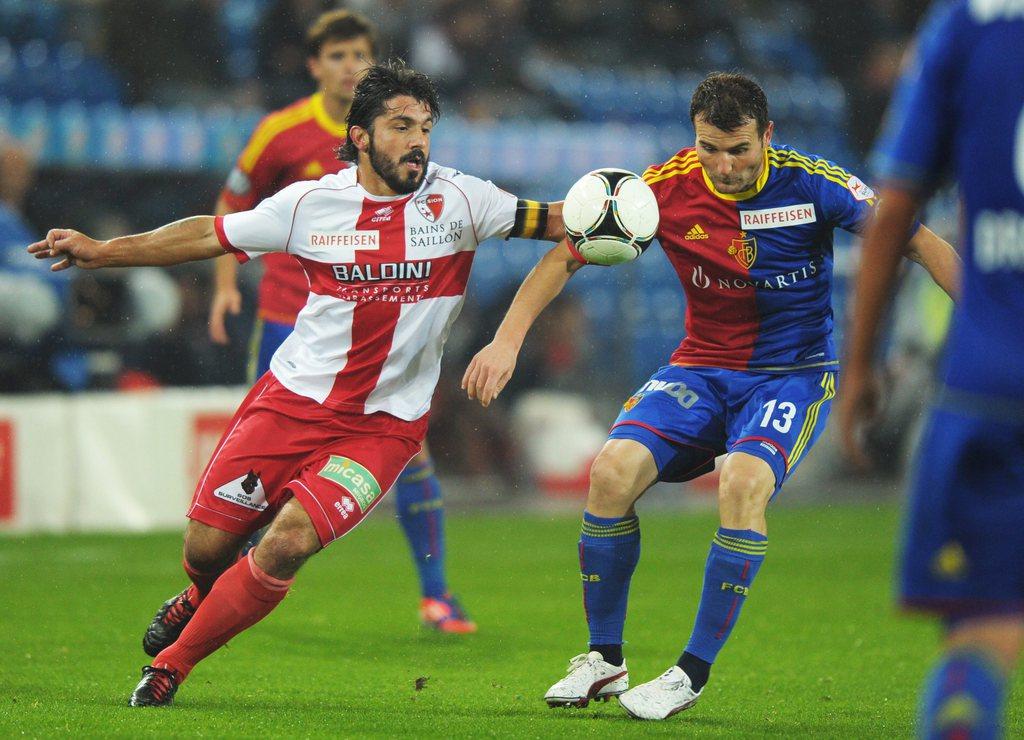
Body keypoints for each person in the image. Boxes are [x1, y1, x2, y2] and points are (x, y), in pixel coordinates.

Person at [29, 60, 564, 707]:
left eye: (426, 126)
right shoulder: (313, 204)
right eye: (401, 125)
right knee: (206, 548)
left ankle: (172, 665)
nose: (418, 140)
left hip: (384, 428)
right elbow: (209, 234)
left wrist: (623, 214)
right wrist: (104, 249)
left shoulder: (464, 201)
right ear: (361, 136)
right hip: (292, 403)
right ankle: (199, 592)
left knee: (285, 544)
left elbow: (561, 222)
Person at [462, 71, 961, 721]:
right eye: (710, 148)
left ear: (767, 137)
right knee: (611, 471)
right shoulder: (662, 188)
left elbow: (916, 239)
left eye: (739, 150)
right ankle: (603, 660)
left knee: (742, 481)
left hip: (792, 373)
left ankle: (689, 673)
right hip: (700, 368)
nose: (724, 166)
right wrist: (506, 341)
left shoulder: (815, 184)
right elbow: (565, 254)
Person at [206, 9, 477, 638]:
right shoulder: (282, 131)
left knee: (412, 454)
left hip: (376, 326)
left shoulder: (395, 135)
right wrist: (224, 284)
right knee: (266, 470)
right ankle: (226, 581)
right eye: (337, 57)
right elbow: (232, 205)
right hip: (290, 323)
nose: (350, 66)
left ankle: (437, 594)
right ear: (314, 66)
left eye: (360, 54)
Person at [838, 1, 1023, 736]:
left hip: (988, 389)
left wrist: (860, 365)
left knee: (982, 630)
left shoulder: (966, 24)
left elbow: (895, 209)